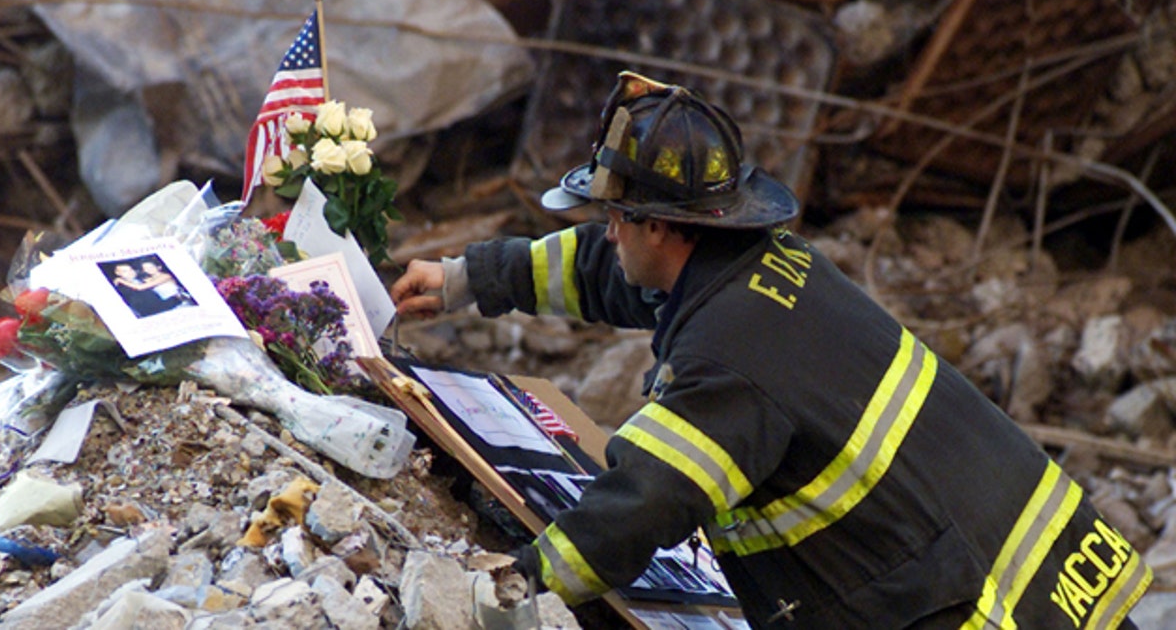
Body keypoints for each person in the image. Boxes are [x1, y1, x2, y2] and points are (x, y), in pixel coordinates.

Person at [391, 72, 1151, 628]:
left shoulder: (725, 361)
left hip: (956, 603)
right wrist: (468, 279)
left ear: (660, 224)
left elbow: (638, 505)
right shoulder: (766, 263)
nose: (608, 228)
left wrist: (511, 587)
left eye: (617, 213)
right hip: (1055, 565)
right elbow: (616, 271)